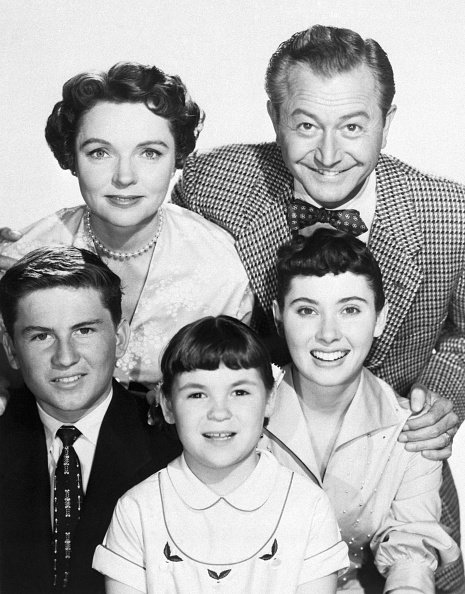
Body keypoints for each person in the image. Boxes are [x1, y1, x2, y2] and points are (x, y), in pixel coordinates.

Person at [170, 25, 465, 591]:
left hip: (403, 497)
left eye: (353, 126)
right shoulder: (216, 184)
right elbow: (147, 244)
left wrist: (438, 394)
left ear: (388, 118)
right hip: (254, 500)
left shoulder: (449, 215)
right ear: (274, 116)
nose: (329, 156)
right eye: (306, 126)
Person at [0, 61, 252, 392]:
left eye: (149, 153)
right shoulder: (24, 255)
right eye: (100, 152)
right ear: (71, 158)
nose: (124, 177)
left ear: (177, 157)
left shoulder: (219, 266)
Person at [259, 229, 460, 593]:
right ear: (278, 316)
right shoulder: (244, 414)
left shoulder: (412, 429)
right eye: (307, 310)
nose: (329, 334)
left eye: (350, 309)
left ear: (380, 319)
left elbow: (410, 554)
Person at [92, 315, 349, 593]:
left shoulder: (307, 507)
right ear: (167, 406)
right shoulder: (138, 510)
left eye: (239, 392)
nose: (219, 413)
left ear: (270, 399)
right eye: (197, 395)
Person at [0, 247, 182, 594]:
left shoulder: (170, 445)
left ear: (121, 338)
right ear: (10, 348)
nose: (65, 357)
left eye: (84, 331)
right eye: (41, 336)